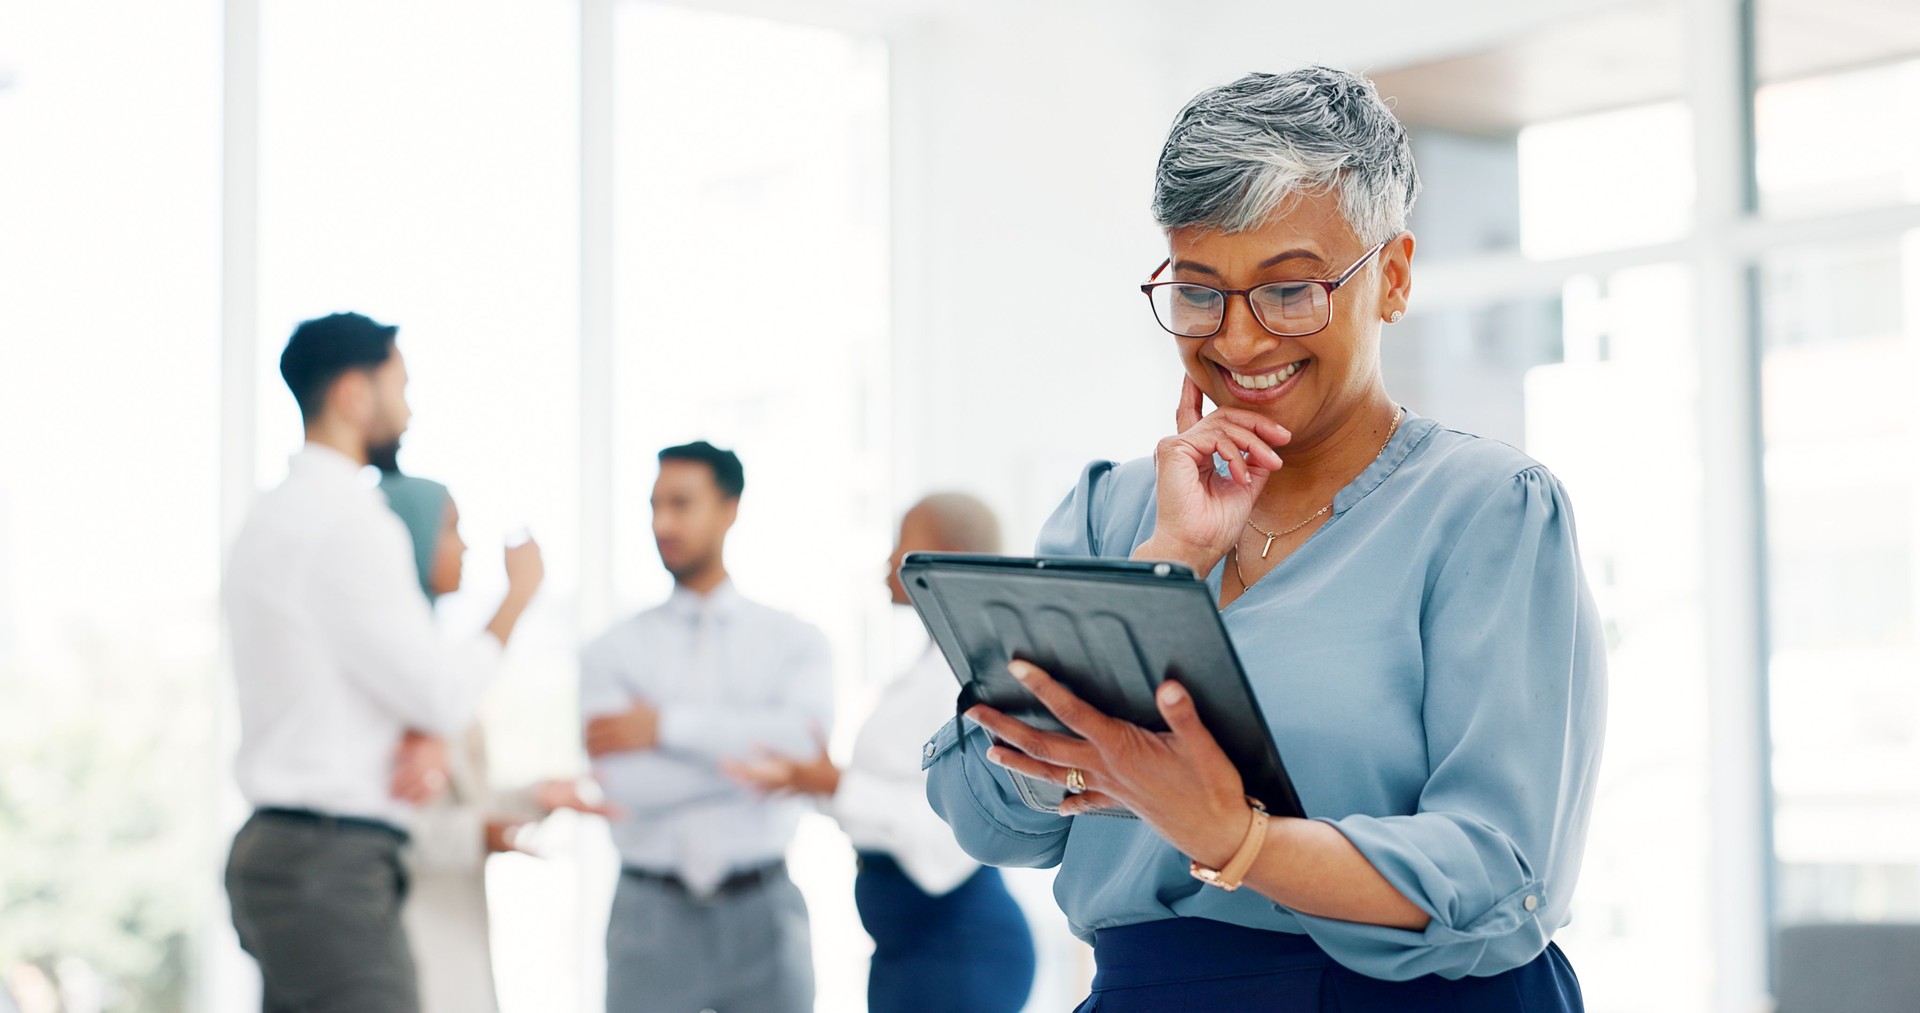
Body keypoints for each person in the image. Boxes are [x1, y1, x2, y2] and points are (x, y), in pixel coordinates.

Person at [924, 67, 1606, 1012]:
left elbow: (1501, 873)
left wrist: (1235, 836)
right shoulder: (1113, 512)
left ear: (1395, 276)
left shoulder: (1485, 510)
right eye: (1200, 293)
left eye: (1291, 291)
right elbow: (977, 809)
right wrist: (1167, 565)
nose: (1239, 341)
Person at [223, 312, 545, 1013]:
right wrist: (516, 600)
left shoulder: (269, 518)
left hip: (285, 855)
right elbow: (438, 694)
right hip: (329, 865)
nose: (409, 406)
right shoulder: (350, 523)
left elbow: (362, 678)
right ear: (353, 394)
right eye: (399, 383)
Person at [726, 494, 1037, 1013]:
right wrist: (813, 782)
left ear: (949, 555)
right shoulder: (927, 666)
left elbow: (951, 834)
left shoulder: (973, 677)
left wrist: (834, 784)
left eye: (902, 543)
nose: (888, 561)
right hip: (907, 950)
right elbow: (886, 799)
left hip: (957, 951)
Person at [580, 441, 834, 1013]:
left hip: (763, 913)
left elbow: (804, 747)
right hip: (648, 917)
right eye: (653, 505)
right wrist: (766, 765)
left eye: (681, 503)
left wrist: (665, 728)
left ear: (730, 507)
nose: (662, 523)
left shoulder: (795, 640)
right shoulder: (611, 650)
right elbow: (623, 787)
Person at [377, 470, 616, 1013]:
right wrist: (517, 599)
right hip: (406, 934)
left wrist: (533, 799)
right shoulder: (391, 673)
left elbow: (451, 798)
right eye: (451, 530)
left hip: (453, 925)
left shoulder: (427, 659)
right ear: (407, 538)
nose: (464, 547)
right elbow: (391, 822)